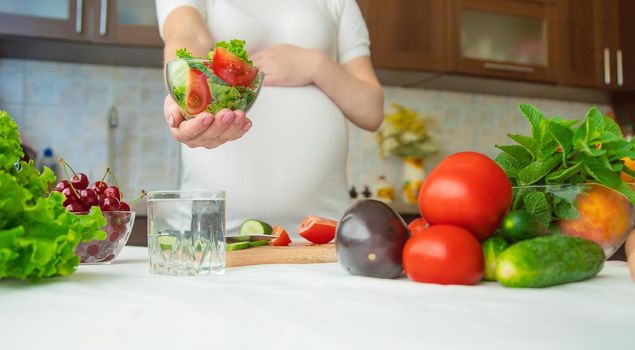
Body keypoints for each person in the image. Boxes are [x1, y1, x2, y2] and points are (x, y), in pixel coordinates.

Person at [156, 0, 384, 234]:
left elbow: (372, 110)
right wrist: (184, 90)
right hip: (214, 232)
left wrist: (318, 66)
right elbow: (188, 36)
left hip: (323, 228)